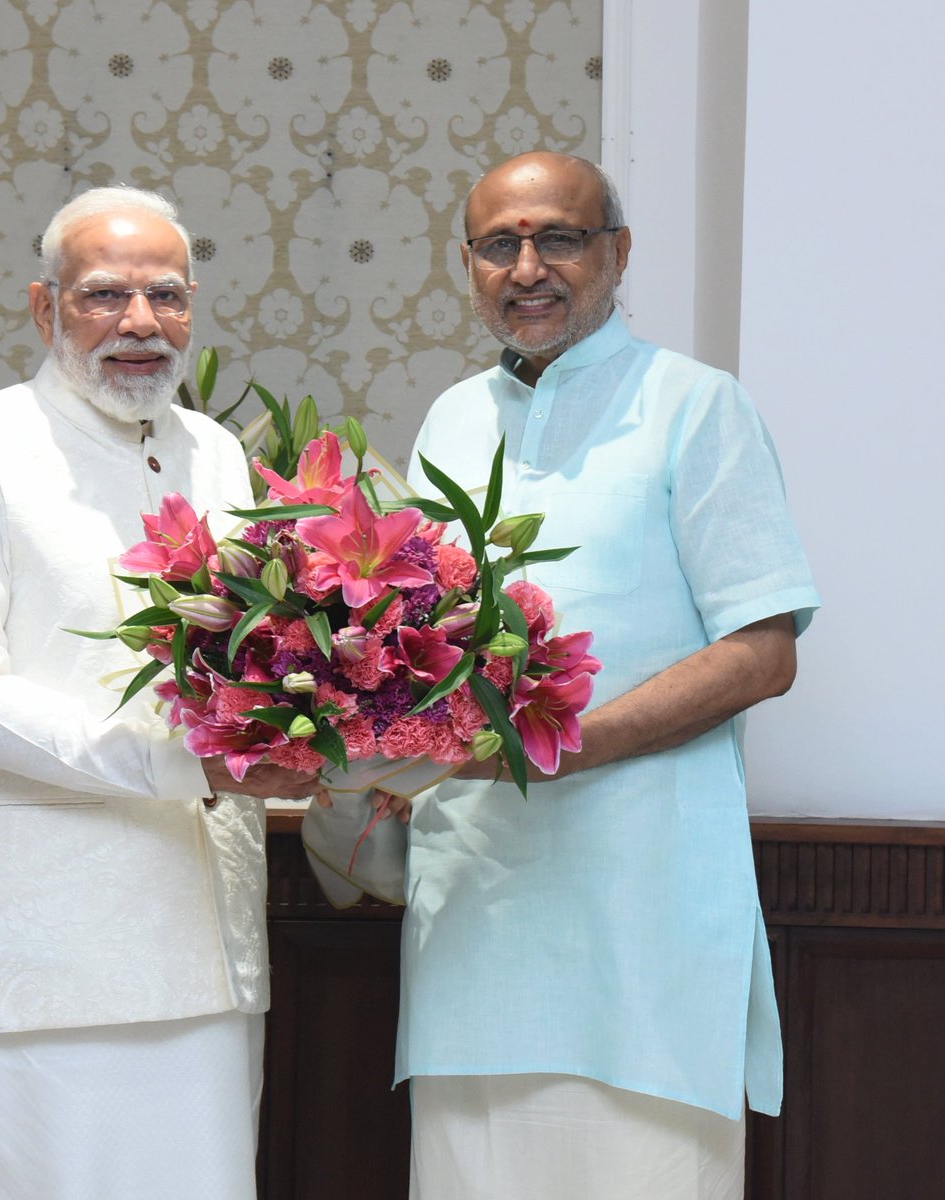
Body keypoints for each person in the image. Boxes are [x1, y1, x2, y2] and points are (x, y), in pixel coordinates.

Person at [388, 152, 821, 1199]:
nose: (526, 267)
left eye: (557, 238)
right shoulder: (448, 419)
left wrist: (556, 746)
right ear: (468, 265)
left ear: (615, 254)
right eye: (499, 245)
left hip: (643, 920)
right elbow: (410, 646)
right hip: (474, 920)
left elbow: (762, 654)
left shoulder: (695, 408)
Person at [0, 187, 316, 1200]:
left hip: (203, 938)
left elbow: (251, 665)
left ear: (193, 307)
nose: (138, 322)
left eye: (164, 296)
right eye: (102, 296)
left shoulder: (217, 455)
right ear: (45, 310)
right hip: (35, 946)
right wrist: (183, 762)